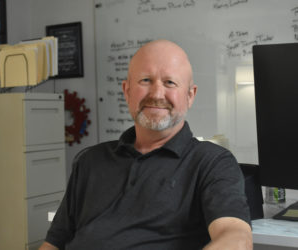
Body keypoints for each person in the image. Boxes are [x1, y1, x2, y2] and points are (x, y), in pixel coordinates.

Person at [39, 40, 252, 250]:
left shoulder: (212, 162)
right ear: (127, 90)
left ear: (190, 95)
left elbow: (236, 239)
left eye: (170, 82)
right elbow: (53, 243)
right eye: (145, 80)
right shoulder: (90, 160)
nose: (157, 94)